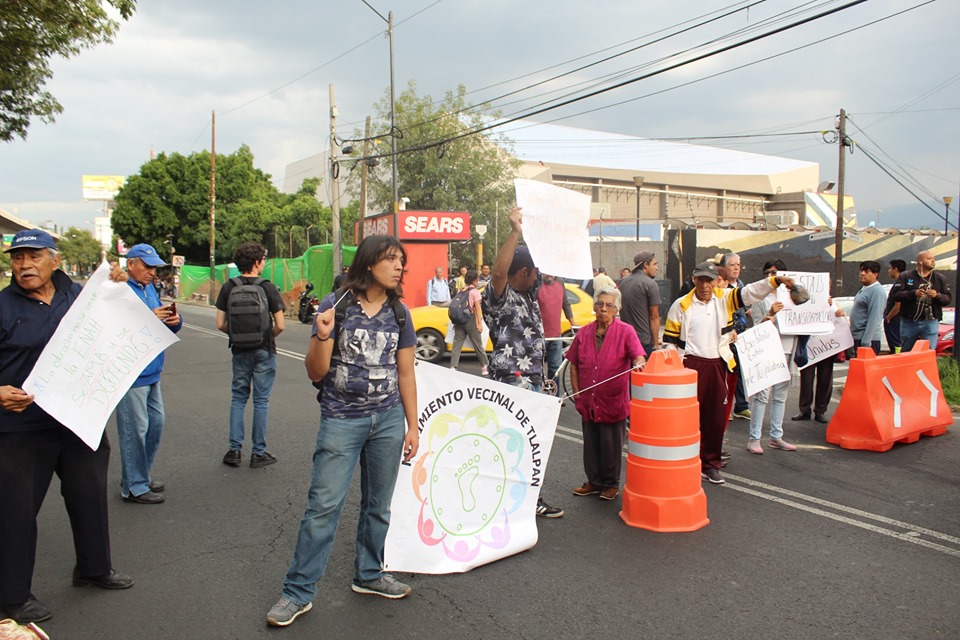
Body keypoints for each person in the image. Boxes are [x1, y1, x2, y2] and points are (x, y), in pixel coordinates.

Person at [266, 235, 419, 628]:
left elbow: (406, 373)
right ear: (370, 263)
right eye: (392, 259)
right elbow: (315, 371)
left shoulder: (400, 312)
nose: (399, 266)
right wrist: (321, 334)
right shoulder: (336, 305)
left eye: (402, 260)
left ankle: (369, 575)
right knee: (323, 508)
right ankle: (297, 592)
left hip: (386, 421)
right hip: (341, 419)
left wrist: (412, 424)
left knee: (378, 505)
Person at [0, 230, 134, 625]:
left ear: (55, 260)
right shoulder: (3, 307)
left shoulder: (82, 296)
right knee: (16, 511)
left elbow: (122, 331)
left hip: (78, 419)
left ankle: (93, 569)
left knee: (89, 496)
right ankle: (12, 597)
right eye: (17, 258)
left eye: (34, 256)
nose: (25, 265)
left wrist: (121, 292)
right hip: (20, 429)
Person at [663, 260, 795, 484]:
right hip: (689, 365)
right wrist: (673, 369)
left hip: (717, 363)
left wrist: (775, 280)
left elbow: (751, 292)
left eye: (709, 280)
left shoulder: (725, 299)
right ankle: (685, 460)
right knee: (686, 418)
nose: (705, 285)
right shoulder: (681, 305)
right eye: (701, 280)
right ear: (694, 280)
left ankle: (711, 464)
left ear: (716, 282)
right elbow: (670, 342)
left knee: (715, 418)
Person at [481, 206, 563, 518]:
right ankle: (504, 497)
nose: (538, 278)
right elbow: (500, 273)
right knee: (510, 440)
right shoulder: (499, 296)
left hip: (533, 379)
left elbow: (551, 262)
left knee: (531, 441)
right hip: (510, 378)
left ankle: (527, 498)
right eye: (533, 273)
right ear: (524, 273)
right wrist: (515, 232)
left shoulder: (530, 294)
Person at [114, 243, 182, 504]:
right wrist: (149, 318)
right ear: (130, 264)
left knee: (156, 424)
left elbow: (159, 324)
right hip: (131, 372)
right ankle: (134, 486)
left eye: (154, 266)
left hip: (153, 369)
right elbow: (114, 330)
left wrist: (175, 322)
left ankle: (139, 475)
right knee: (136, 429)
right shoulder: (118, 292)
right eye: (147, 265)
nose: (152, 272)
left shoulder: (149, 289)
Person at [566, 287, 645, 501]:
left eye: (609, 305)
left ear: (616, 308)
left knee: (611, 445)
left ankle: (610, 484)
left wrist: (639, 363)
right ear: (594, 307)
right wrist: (578, 395)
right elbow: (573, 365)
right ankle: (594, 481)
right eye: (600, 304)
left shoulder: (626, 331)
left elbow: (637, 355)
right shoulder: (584, 332)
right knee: (591, 444)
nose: (603, 309)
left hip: (613, 402)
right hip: (588, 401)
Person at [215, 242, 286, 469]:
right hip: (264, 350)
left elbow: (219, 324)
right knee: (261, 400)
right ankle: (258, 453)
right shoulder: (268, 287)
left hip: (239, 350)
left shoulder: (229, 286)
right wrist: (267, 336)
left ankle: (234, 450)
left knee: (238, 398)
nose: (264, 263)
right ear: (256, 263)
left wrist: (237, 335)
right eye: (263, 259)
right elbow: (281, 325)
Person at [746, 260, 797, 454]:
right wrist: (770, 313)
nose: (770, 276)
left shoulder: (794, 297)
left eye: (774, 272)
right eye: (767, 272)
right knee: (762, 395)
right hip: (768, 350)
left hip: (787, 348)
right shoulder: (761, 297)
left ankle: (776, 436)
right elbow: (756, 326)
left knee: (780, 396)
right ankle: (754, 438)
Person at [892, 250, 952, 353]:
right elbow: (895, 295)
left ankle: (924, 369)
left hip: (930, 321)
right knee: (907, 351)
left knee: (928, 351)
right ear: (920, 261)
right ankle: (908, 368)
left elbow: (947, 299)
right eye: (929, 259)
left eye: (934, 259)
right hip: (909, 321)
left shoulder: (940, 278)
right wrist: (913, 293)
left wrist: (936, 295)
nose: (933, 261)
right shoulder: (906, 276)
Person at [717, 253, 751, 420]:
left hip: (741, 338)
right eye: (732, 265)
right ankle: (725, 405)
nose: (736, 268)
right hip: (726, 339)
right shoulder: (720, 290)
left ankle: (741, 405)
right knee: (726, 373)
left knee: (739, 372)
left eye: (738, 264)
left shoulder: (742, 286)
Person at [618, 251, 661, 355]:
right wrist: (655, 345)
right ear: (646, 265)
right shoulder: (650, 284)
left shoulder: (622, 282)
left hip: (625, 340)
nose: (657, 268)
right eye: (654, 264)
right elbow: (654, 316)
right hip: (643, 343)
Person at [449, 269, 489, 376]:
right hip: (470, 320)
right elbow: (477, 309)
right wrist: (479, 324)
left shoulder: (461, 290)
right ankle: (484, 367)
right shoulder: (475, 292)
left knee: (457, 344)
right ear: (475, 280)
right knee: (478, 344)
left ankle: (453, 367)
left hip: (459, 320)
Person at [537, 273, 574, 383]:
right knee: (536, 371)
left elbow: (565, 304)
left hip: (556, 336)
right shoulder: (536, 283)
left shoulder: (560, 282)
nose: (549, 275)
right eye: (546, 272)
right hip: (538, 336)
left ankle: (555, 398)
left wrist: (573, 325)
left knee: (555, 370)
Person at [849, 261, 885, 356]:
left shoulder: (877, 291)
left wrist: (866, 342)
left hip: (868, 340)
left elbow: (875, 317)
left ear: (875, 274)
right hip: (858, 338)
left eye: (866, 271)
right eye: (861, 271)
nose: (862, 273)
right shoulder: (864, 288)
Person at [884, 259, 906, 354]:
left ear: (895, 269)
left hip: (894, 320)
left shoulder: (899, 284)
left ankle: (897, 357)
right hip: (895, 320)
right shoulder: (902, 282)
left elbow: (898, 305)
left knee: (896, 344)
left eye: (890, 268)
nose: (889, 271)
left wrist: (888, 317)